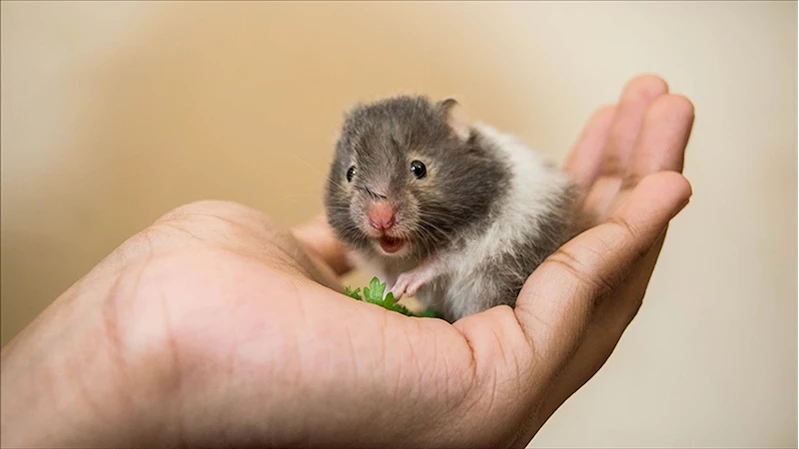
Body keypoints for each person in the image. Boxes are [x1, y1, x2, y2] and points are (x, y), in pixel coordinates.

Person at [0, 74, 694, 448]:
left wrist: (440, 269)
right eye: (358, 177)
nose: (380, 210)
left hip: (495, 250)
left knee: (482, 276)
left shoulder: (493, 181)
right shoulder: (366, 210)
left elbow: (474, 229)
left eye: (416, 172)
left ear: (455, 143)